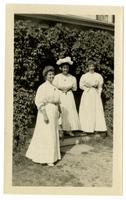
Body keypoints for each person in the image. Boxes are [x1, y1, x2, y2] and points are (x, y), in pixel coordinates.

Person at [26, 66, 61, 166]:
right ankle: (46, 158)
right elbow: (39, 102)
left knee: (53, 134)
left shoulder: (55, 87)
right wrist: (45, 115)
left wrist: (59, 112)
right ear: (45, 76)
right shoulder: (42, 87)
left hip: (54, 112)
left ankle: (53, 157)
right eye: (49, 74)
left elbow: (58, 102)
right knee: (46, 134)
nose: (51, 76)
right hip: (46, 112)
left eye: (52, 74)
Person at [53, 56, 80, 136]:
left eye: (67, 68)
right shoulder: (57, 77)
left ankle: (69, 129)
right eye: (64, 68)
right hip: (60, 95)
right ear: (61, 68)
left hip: (69, 95)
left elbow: (75, 88)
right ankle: (61, 130)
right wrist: (60, 90)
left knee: (70, 111)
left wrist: (68, 89)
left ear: (68, 68)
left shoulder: (72, 77)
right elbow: (54, 87)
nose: (65, 69)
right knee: (61, 111)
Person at [79, 60, 107, 134]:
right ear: (87, 67)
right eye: (90, 66)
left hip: (95, 94)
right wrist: (87, 89)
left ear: (94, 67)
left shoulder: (98, 76)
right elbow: (81, 86)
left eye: (92, 66)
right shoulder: (84, 76)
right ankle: (86, 128)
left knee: (96, 110)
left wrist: (99, 93)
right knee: (87, 110)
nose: (91, 67)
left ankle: (96, 128)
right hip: (87, 94)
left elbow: (100, 86)